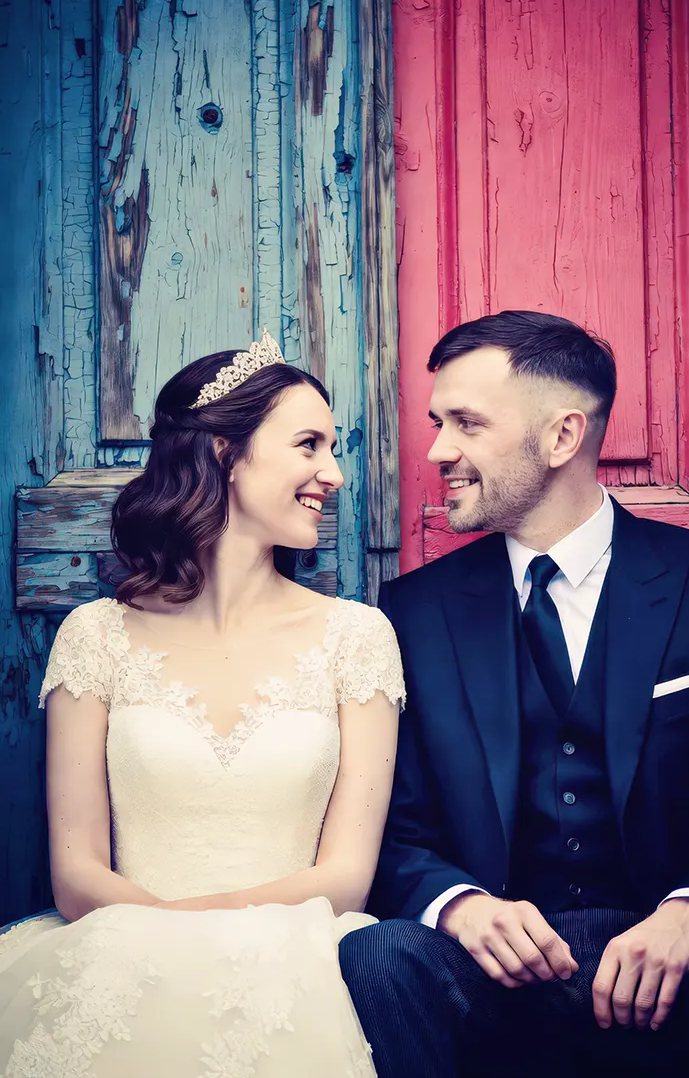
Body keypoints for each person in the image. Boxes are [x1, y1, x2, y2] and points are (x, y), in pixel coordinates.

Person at [339, 310, 689, 1078]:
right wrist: (461, 906)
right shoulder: (414, 612)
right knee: (383, 954)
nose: (437, 451)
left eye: (466, 423)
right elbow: (393, 826)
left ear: (562, 437)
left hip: (680, 966)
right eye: (436, 423)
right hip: (495, 976)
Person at [0, 330, 404, 1077]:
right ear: (224, 452)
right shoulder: (97, 638)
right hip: (114, 962)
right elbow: (77, 870)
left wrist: (199, 938)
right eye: (309, 445)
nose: (335, 474)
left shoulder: (357, 638)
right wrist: (166, 944)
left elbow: (346, 875)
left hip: (298, 972)